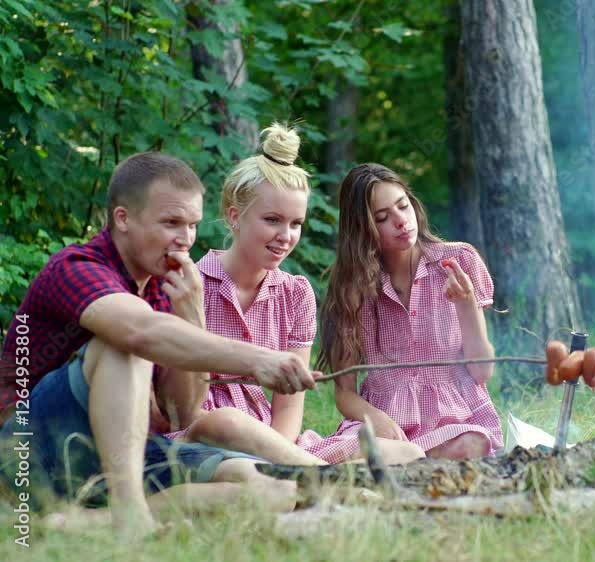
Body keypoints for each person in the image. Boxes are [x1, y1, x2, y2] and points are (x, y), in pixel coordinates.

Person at [0, 152, 318, 538]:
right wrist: (258, 360)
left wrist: (192, 313)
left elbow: (183, 412)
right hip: (26, 448)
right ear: (123, 219)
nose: (184, 241)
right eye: (171, 223)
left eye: (193, 226)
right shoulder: (77, 267)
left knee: (269, 485)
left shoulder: (161, 287)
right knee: (123, 344)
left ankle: (88, 521)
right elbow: (139, 332)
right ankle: (131, 516)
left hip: (115, 458)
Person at [171, 124, 423, 466]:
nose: (285, 236)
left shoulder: (295, 294)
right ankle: (320, 476)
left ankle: (299, 473)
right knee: (226, 420)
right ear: (235, 217)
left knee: (408, 453)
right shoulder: (191, 286)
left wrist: (279, 453)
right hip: (202, 436)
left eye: (296, 223)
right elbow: (179, 406)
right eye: (272, 220)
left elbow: (289, 405)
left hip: (275, 442)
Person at [317, 163, 502, 460]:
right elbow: (344, 393)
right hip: (386, 423)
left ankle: (399, 460)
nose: (401, 221)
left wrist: (465, 304)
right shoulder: (352, 290)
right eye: (383, 218)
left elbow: (483, 371)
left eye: (403, 206)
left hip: (455, 421)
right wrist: (373, 417)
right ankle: (400, 458)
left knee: (471, 445)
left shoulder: (458, 261)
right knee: (351, 448)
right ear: (362, 229)